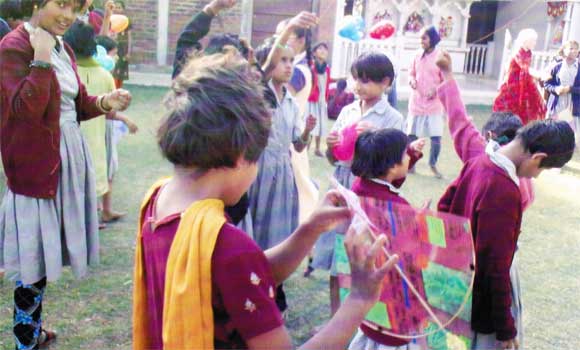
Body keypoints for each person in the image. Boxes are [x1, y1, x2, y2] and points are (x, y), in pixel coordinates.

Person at [132, 50, 399, 350]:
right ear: (240, 156)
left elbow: (240, 274)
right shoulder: (227, 245)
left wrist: (308, 229)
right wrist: (360, 298)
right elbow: (238, 265)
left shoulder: (158, 201)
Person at [0, 0, 131, 348]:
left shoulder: (63, 46)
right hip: (36, 167)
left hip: (67, 159)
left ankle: (32, 330)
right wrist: (40, 59)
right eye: (61, 5)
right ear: (38, 3)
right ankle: (25, 341)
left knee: (41, 256)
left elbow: (75, 102)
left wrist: (105, 102)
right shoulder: (15, 47)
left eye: (75, 9)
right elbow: (24, 112)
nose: (68, 17)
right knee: (31, 258)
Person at [437, 118, 575, 350]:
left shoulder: (478, 162)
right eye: (542, 169)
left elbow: (444, 208)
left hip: (454, 290)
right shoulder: (504, 191)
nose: (536, 176)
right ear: (538, 157)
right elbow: (495, 268)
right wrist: (506, 329)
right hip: (480, 308)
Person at [313, 52, 404, 318]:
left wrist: (369, 143)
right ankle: (334, 320)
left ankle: (355, 322)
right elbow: (334, 159)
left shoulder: (392, 119)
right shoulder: (347, 110)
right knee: (335, 260)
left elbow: (391, 169)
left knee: (359, 259)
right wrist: (332, 148)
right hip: (342, 186)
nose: (358, 86)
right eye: (356, 79)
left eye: (366, 81)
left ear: (385, 82)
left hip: (367, 193)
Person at [245, 42, 316, 312]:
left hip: (284, 174)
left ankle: (277, 286)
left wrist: (308, 132)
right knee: (258, 228)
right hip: (260, 171)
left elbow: (297, 145)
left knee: (281, 231)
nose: (288, 66)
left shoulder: (290, 100)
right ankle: (256, 287)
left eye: (291, 60)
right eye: (281, 60)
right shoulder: (259, 98)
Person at [348, 129, 424, 350]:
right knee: (392, 335)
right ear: (391, 165)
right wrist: (417, 222)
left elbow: (387, 184)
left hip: (369, 279)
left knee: (374, 328)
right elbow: (409, 246)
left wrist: (412, 153)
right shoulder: (398, 208)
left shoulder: (361, 186)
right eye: (405, 154)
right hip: (394, 284)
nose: (408, 156)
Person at [436, 51, 535, 211]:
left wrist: (447, 73)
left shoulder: (483, 153)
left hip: (469, 229)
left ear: (490, 136)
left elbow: (459, 120)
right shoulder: (526, 176)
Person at [95, 34, 139, 223]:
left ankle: (101, 208)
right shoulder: (104, 75)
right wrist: (126, 119)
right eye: (113, 54)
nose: (115, 58)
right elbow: (107, 110)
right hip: (103, 129)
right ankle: (105, 210)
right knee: (107, 169)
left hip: (94, 128)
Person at [407, 25, 445, 178]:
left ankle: (432, 164)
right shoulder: (416, 55)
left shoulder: (440, 57)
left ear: (432, 39)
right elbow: (411, 73)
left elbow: (445, 81)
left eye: (424, 38)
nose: (421, 41)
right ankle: (410, 164)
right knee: (412, 135)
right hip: (416, 101)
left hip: (434, 105)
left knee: (436, 137)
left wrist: (435, 90)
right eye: (420, 38)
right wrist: (411, 81)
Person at [493, 28, 546, 125]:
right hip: (513, 85)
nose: (535, 43)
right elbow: (524, 67)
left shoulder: (528, 52)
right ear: (526, 41)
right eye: (533, 40)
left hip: (523, 83)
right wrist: (539, 75)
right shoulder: (518, 52)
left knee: (530, 107)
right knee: (510, 109)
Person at [544, 40, 580, 144]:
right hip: (557, 103)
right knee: (551, 129)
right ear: (564, 51)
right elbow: (547, 84)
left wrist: (570, 89)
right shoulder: (556, 67)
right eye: (571, 48)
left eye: (576, 49)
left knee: (568, 131)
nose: (574, 51)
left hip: (572, 105)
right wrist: (555, 89)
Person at [307, 42, 332, 157]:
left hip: (322, 99)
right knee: (311, 123)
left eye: (325, 49)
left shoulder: (326, 68)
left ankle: (317, 149)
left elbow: (327, 80)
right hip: (312, 99)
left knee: (321, 124)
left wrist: (339, 79)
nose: (323, 51)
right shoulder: (311, 66)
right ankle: (306, 148)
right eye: (320, 49)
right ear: (314, 53)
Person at [110, 0, 130, 88]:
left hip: (123, 49)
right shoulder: (110, 19)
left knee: (121, 71)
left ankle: (119, 88)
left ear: (123, 9)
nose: (117, 9)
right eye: (116, 7)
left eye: (119, 7)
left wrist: (129, 52)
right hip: (114, 47)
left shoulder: (127, 21)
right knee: (114, 69)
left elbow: (130, 37)